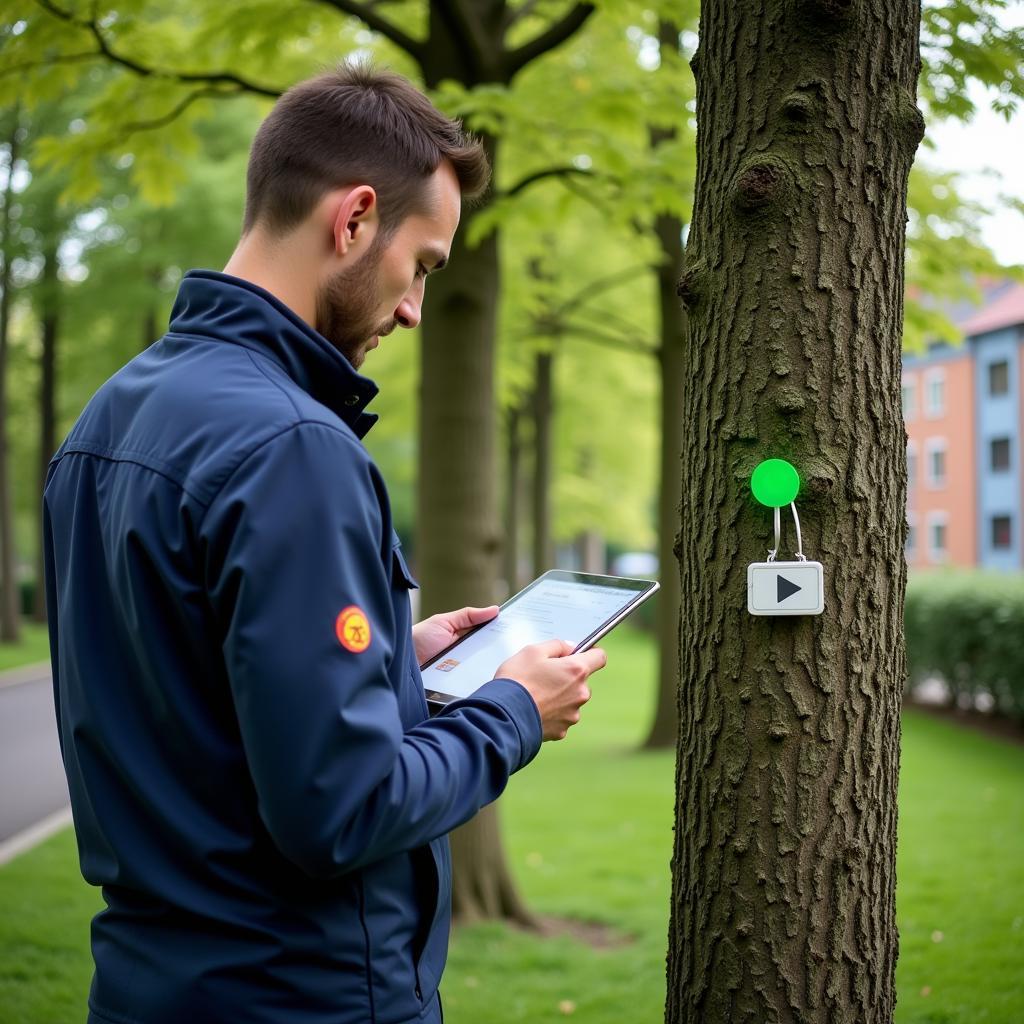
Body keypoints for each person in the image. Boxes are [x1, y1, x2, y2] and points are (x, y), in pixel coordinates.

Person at [43, 64, 606, 1024]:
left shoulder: (111, 417)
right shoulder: (296, 447)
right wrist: (512, 710)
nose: (416, 307)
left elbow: (193, 695)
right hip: (299, 997)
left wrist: (394, 663)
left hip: (147, 987)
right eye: (421, 265)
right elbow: (342, 810)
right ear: (352, 221)